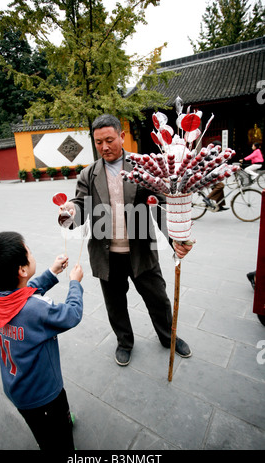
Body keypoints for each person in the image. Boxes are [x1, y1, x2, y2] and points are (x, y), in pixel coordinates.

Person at [58, 114, 192, 367]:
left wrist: (175, 236)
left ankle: (168, 337)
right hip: (106, 254)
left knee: (158, 299)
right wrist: (70, 213)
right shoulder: (88, 175)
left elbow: (158, 205)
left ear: (122, 136)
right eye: (98, 142)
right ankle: (124, 342)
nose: (104, 147)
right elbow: (80, 206)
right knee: (115, 304)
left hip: (140, 250)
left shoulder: (143, 166)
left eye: (109, 140)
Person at [0, 231, 83, 451]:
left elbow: (24, 293)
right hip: (44, 391)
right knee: (58, 436)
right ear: (22, 270)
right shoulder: (35, 309)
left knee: (40, 429)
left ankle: (56, 431)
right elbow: (71, 315)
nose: (32, 255)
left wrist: (52, 272)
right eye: (30, 253)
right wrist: (74, 284)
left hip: (17, 387)